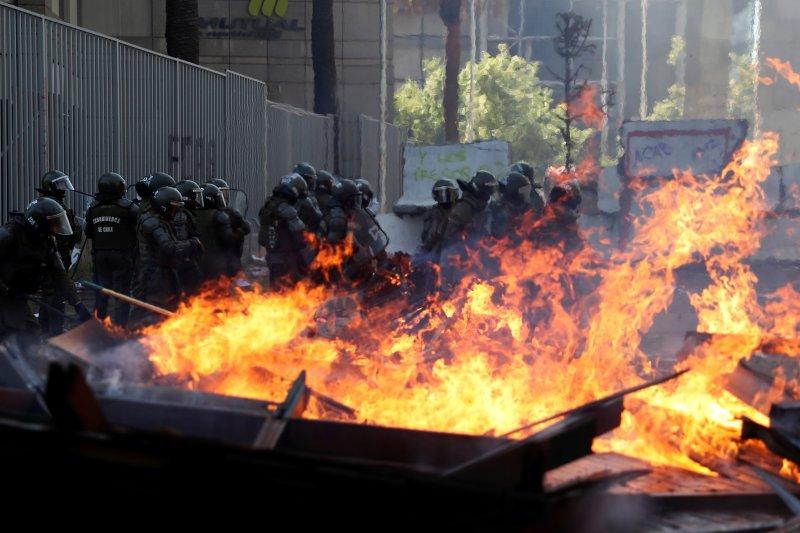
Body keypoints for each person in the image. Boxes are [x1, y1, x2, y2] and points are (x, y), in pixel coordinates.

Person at [0, 198, 91, 341]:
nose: (56, 228)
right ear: (39, 223)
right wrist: (4, 287)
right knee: (11, 335)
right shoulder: (8, 235)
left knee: (32, 332)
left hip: (17, 297)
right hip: (5, 296)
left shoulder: (46, 241)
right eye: (54, 224)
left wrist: (78, 304)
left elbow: (59, 274)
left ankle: (29, 361)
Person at [129, 187, 203, 327]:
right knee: (155, 310)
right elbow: (169, 247)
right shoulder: (152, 222)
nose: (175, 212)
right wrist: (192, 243)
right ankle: (143, 341)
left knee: (173, 305)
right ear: (164, 206)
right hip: (153, 274)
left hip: (164, 270)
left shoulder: (161, 219)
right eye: (174, 208)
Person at [84, 172, 139, 327]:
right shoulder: (129, 207)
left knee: (101, 292)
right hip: (122, 255)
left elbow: (88, 232)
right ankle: (120, 327)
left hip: (100, 256)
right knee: (122, 294)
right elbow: (139, 228)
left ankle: (98, 325)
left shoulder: (93, 208)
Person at [36, 170, 83, 335]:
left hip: (60, 254)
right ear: (51, 186)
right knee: (54, 293)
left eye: (64, 183)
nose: (63, 188)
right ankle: (53, 331)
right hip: (52, 255)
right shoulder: (49, 207)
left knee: (52, 292)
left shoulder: (54, 204)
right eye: (59, 184)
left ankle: (46, 329)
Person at [258, 174, 317, 288]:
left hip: (272, 257)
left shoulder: (269, 204)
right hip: (287, 260)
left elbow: (262, 239)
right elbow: (302, 236)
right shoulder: (286, 208)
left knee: (276, 292)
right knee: (291, 293)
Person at [194, 183, 246, 281]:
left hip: (197, 263)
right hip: (216, 263)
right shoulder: (219, 215)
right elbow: (229, 239)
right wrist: (239, 233)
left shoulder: (192, 215)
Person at [442, 170, 498, 245]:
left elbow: (480, 230)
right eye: (489, 190)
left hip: (475, 250)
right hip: (459, 253)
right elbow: (450, 238)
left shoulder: (478, 206)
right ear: (481, 189)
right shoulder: (464, 208)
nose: (490, 194)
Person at [207, 178, 250, 273]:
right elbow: (246, 228)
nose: (225, 197)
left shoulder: (196, 214)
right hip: (225, 260)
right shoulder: (228, 213)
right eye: (223, 193)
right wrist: (239, 232)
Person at [173, 180, 205, 294]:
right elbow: (180, 242)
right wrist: (193, 243)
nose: (197, 199)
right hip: (184, 263)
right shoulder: (181, 216)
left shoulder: (186, 213)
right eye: (195, 195)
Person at [420, 179, 459, 255]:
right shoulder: (434, 212)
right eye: (441, 194)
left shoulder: (460, 209)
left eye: (448, 194)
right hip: (440, 250)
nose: (445, 198)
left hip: (458, 247)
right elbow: (426, 238)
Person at [490, 171, 534, 239]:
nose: (527, 192)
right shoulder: (500, 209)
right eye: (524, 189)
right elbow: (500, 236)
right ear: (514, 189)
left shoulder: (526, 207)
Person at [293, 162, 323, 233]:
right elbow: (318, 217)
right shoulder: (308, 197)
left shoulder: (288, 193)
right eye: (312, 179)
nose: (313, 182)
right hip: (304, 237)